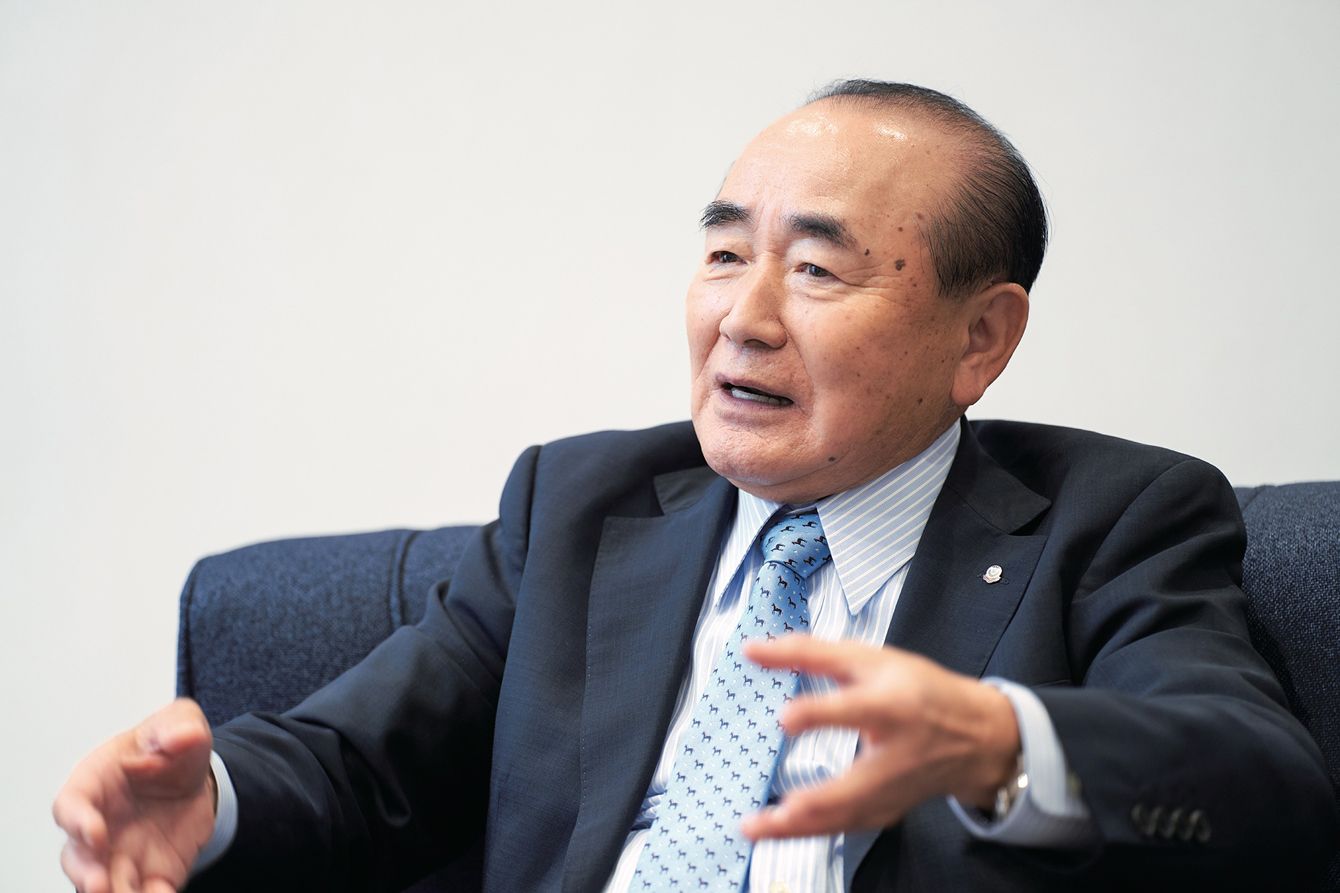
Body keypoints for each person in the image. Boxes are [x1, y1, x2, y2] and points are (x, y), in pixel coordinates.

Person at [55, 80, 1335, 893]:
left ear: (979, 339)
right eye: (724, 253)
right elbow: (359, 762)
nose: (743, 317)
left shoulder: (1112, 518)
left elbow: (1264, 792)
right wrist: (209, 800)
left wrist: (1002, 743)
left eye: (817, 271)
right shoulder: (580, 505)